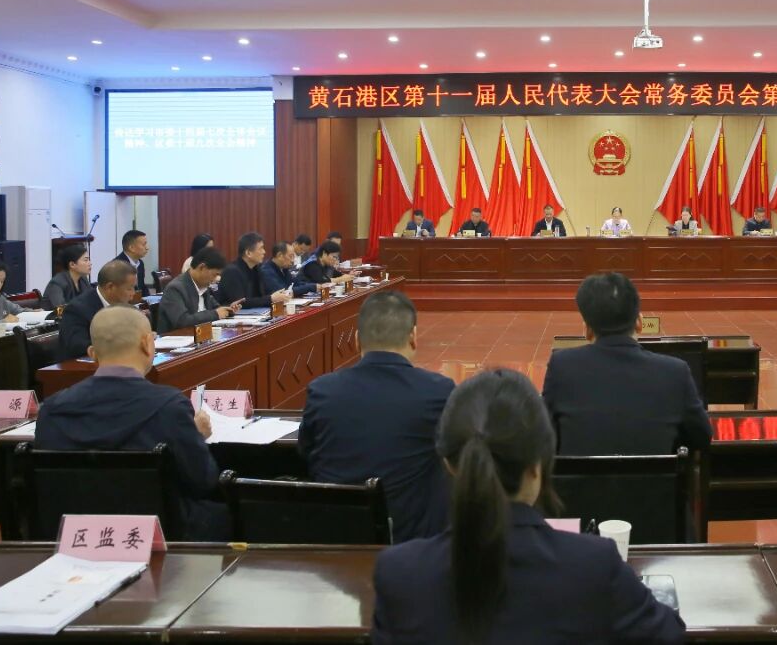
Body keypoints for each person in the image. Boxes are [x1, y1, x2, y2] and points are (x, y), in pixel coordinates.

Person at [371, 368, 685, 645]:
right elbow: (669, 634)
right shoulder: (595, 566)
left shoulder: (398, 574)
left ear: (449, 464)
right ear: (539, 463)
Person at [37, 305, 228, 541]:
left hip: (74, 538)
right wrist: (195, 435)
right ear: (147, 344)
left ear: (93, 353)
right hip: (159, 538)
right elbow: (204, 481)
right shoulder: (168, 407)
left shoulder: (52, 410)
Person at [300, 291, 454, 543]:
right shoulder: (438, 391)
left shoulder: (322, 391)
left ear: (356, 340)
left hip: (335, 541)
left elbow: (306, 451)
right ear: (413, 337)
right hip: (411, 542)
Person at [542, 272, 712, 455]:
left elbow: (543, 437)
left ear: (587, 330)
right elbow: (702, 437)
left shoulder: (562, 366)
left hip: (580, 476)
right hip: (655, 475)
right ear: (639, 322)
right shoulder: (675, 372)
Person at [58, 260, 139, 360]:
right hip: (81, 366)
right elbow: (77, 346)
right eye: (129, 288)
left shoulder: (124, 305)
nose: (133, 293)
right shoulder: (77, 309)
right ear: (110, 287)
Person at [157, 247, 239, 333]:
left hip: (201, 335)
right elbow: (182, 321)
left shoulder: (203, 286)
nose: (216, 279)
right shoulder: (175, 289)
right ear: (202, 267)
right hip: (179, 338)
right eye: (215, 274)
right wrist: (216, 314)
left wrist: (228, 310)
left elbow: (216, 308)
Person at [216, 232, 292, 310]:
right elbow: (240, 303)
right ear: (248, 253)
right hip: (234, 315)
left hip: (256, 313)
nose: (264, 252)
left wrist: (277, 296)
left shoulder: (257, 268)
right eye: (261, 248)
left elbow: (261, 296)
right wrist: (271, 299)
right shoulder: (231, 271)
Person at [42, 243, 92, 310]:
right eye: (85, 260)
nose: (90, 263)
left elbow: (91, 301)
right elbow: (61, 308)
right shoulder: (57, 283)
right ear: (72, 264)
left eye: (89, 260)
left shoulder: (83, 279)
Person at [114, 229, 150, 294]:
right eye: (144, 244)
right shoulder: (117, 266)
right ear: (131, 248)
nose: (147, 248)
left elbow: (142, 287)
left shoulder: (140, 263)